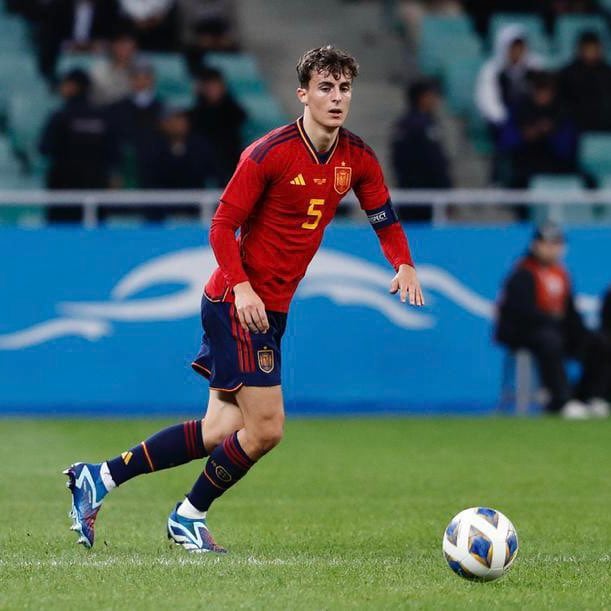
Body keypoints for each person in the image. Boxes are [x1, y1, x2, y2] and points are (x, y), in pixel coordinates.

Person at [63, 45, 425, 553]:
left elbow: (384, 218)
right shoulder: (269, 153)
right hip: (237, 304)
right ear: (303, 94)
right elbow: (221, 226)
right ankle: (188, 516)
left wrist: (403, 262)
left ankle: (97, 477)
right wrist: (244, 286)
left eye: (344, 88)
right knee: (268, 427)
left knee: (220, 429)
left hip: (270, 309)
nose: (336, 98)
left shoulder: (357, 158)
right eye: (325, 87)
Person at [495, 223, 609, 419]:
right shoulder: (523, 273)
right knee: (549, 341)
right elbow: (521, 313)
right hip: (523, 332)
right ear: (535, 245)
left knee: (599, 342)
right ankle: (560, 400)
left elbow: (570, 312)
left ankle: (590, 396)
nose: (552, 249)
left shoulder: (561, 274)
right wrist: (553, 321)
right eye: (547, 244)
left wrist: (580, 332)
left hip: (554, 329)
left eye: (556, 244)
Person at [39, 69, 118, 222]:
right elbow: (113, 154)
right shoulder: (104, 117)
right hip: (96, 187)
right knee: (95, 237)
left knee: (61, 237)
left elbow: (44, 148)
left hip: (63, 188)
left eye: (64, 84)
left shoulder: (60, 117)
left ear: (73, 87)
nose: (62, 88)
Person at [498, 72, 577, 188]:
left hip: (554, 163)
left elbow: (568, 148)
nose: (542, 95)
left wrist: (551, 132)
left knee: (587, 180)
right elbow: (505, 141)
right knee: (517, 180)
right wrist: (525, 135)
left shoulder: (562, 111)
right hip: (525, 162)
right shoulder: (519, 109)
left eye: (546, 91)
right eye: (539, 91)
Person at [391, 79, 452, 221]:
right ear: (422, 98)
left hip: (410, 192)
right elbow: (435, 162)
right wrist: (445, 187)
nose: (435, 100)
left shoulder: (405, 124)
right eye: (432, 96)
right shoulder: (419, 126)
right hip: (423, 195)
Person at [189, 67, 247, 185]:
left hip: (229, 162)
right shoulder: (195, 114)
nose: (212, 90)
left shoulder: (234, 112)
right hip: (203, 162)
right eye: (208, 86)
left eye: (215, 85)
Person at [558, 31, 611, 133]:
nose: (591, 52)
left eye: (594, 48)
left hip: (604, 123)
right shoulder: (568, 73)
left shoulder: (607, 72)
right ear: (580, 49)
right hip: (576, 124)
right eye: (588, 48)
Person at [90, 30, 139, 106]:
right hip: (102, 110)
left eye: (128, 46)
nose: (124, 50)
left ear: (134, 48)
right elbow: (96, 96)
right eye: (121, 45)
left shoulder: (140, 71)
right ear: (113, 46)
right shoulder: (100, 68)